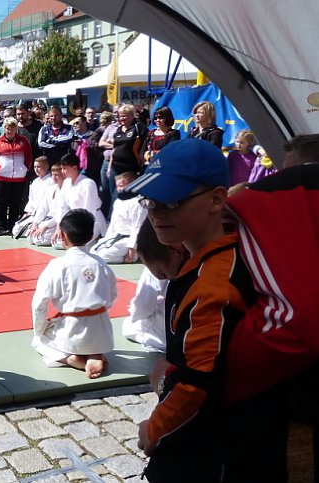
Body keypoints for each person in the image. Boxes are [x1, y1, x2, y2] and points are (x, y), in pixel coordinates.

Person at [128, 139, 288, 482]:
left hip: (215, 450)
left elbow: (196, 385)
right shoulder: (220, 253)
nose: (156, 212)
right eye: (150, 200)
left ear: (216, 200)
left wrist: (152, 430)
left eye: (170, 201)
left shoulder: (214, 282)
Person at [31, 209, 118, 379]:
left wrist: (41, 328)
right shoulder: (101, 263)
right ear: (92, 234)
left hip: (71, 330)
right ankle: (95, 354)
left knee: (38, 340)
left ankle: (71, 358)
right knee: (91, 335)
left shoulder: (58, 265)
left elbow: (39, 303)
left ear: (63, 236)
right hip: (101, 330)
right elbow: (112, 294)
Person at [122, 219, 188, 353]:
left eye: (162, 274)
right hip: (180, 335)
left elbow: (143, 307)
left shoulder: (151, 272)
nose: (167, 278)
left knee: (129, 326)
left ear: (176, 249)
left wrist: (134, 314)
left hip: (169, 337)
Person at [0, 117, 33, 234]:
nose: (10, 131)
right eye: (8, 129)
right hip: (1, 177)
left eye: (12, 129)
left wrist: (25, 168)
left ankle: (13, 226)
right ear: (4, 129)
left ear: (16, 129)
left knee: (15, 202)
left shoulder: (23, 141)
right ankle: (1, 227)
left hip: (19, 177)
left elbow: (28, 155)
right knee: (2, 202)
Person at [53, 153, 108, 248]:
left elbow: (89, 211)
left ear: (74, 168)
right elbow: (62, 207)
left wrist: (80, 230)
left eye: (65, 168)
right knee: (58, 243)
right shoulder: (66, 183)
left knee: (76, 244)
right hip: (75, 221)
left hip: (92, 222)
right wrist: (59, 228)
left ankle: (96, 239)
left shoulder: (88, 184)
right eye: (62, 168)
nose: (62, 171)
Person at [91, 171, 146, 263]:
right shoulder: (118, 202)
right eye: (117, 186)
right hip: (117, 236)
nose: (118, 189)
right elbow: (113, 223)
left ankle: (136, 255)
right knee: (93, 251)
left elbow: (137, 228)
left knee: (103, 256)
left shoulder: (137, 203)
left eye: (121, 186)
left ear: (131, 185)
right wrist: (106, 238)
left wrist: (132, 249)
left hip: (129, 240)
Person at [28, 163, 66, 246]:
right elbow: (43, 208)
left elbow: (63, 213)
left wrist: (47, 226)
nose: (54, 177)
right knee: (30, 237)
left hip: (60, 222)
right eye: (52, 175)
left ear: (63, 175)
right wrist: (35, 224)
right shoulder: (52, 189)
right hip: (48, 220)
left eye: (57, 175)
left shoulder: (67, 190)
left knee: (55, 243)